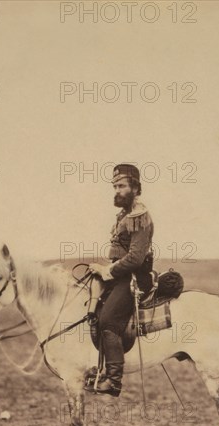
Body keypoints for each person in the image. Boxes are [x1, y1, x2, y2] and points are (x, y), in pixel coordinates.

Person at [86, 164, 154, 397]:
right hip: (119, 276)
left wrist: (107, 271)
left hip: (134, 278)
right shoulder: (124, 216)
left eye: (122, 186)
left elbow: (135, 258)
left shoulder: (140, 218)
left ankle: (113, 380)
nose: (117, 190)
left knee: (108, 321)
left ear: (135, 188)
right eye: (115, 186)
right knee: (90, 308)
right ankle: (100, 370)